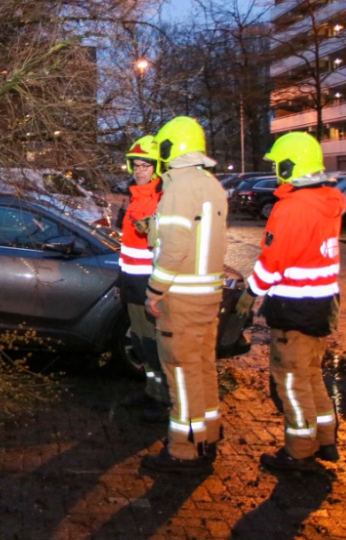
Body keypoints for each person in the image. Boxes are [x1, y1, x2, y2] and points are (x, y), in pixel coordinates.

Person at [235, 132, 343, 472]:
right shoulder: (329, 202)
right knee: (312, 375)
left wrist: (250, 293)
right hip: (321, 306)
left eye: (277, 165)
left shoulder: (291, 208)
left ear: (289, 166)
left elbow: (273, 260)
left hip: (293, 309)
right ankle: (326, 440)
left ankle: (299, 450)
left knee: (292, 382)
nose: (276, 171)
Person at [141, 116, 228, 474]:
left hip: (182, 297)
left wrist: (154, 290)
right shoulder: (211, 184)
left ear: (169, 148)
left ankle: (184, 450)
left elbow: (174, 248)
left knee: (180, 371)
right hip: (208, 296)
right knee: (203, 367)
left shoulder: (178, 188)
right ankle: (207, 435)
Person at [117, 135, 168, 423]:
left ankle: (162, 401)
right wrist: (120, 282)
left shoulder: (162, 199)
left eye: (145, 165)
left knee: (153, 343)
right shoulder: (134, 197)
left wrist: (157, 290)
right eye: (135, 165)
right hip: (132, 284)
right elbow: (128, 249)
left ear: (156, 167)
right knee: (140, 341)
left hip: (150, 287)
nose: (139, 170)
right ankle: (151, 391)